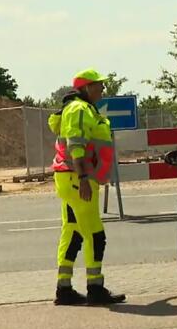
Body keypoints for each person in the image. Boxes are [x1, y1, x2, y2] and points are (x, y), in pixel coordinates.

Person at [47, 68, 126, 306]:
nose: (102, 89)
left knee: (73, 231)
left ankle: (64, 288)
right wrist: (83, 178)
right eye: (98, 85)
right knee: (95, 234)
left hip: (69, 178)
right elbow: (76, 145)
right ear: (86, 87)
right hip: (77, 179)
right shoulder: (80, 110)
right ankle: (95, 289)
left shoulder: (80, 109)